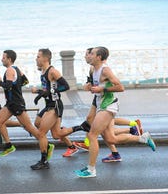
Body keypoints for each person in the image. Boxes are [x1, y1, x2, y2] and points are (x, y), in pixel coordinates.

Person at [74, 46, 156, 178]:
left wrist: (102, 89)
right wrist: (89, 86)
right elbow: (92, 84)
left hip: (109, 105)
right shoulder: (92, 69)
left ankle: (91, 169)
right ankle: (143, 138)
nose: (88, 56)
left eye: (92, 54)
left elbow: (120, 87)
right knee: (111, 138)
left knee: (92, 135)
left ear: (98, 57)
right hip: (101, 104)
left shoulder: (105, 70)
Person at [0, 50, 52, 169]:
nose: (2, 59)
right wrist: (16, 86)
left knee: (29, 127)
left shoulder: (10, 70)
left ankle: (47, 145)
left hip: (16, 103)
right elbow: (25, 81)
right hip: (10, 103)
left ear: (9, 59)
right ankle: (8, 145)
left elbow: (8, 86)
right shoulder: (16, 69)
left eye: (4, 57)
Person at [31, 48, 78, 162]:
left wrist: (49, 92)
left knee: (41, 133)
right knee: (53, 132)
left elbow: (65, 86)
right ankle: (72, 144)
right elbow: (46, 89)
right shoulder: (42, 71)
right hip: (48, 105)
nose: (36, 59)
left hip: (55, 105)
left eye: (38, 56)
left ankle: (44, 160)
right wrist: (38, 93)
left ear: (45, 58)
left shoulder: (52, 71)